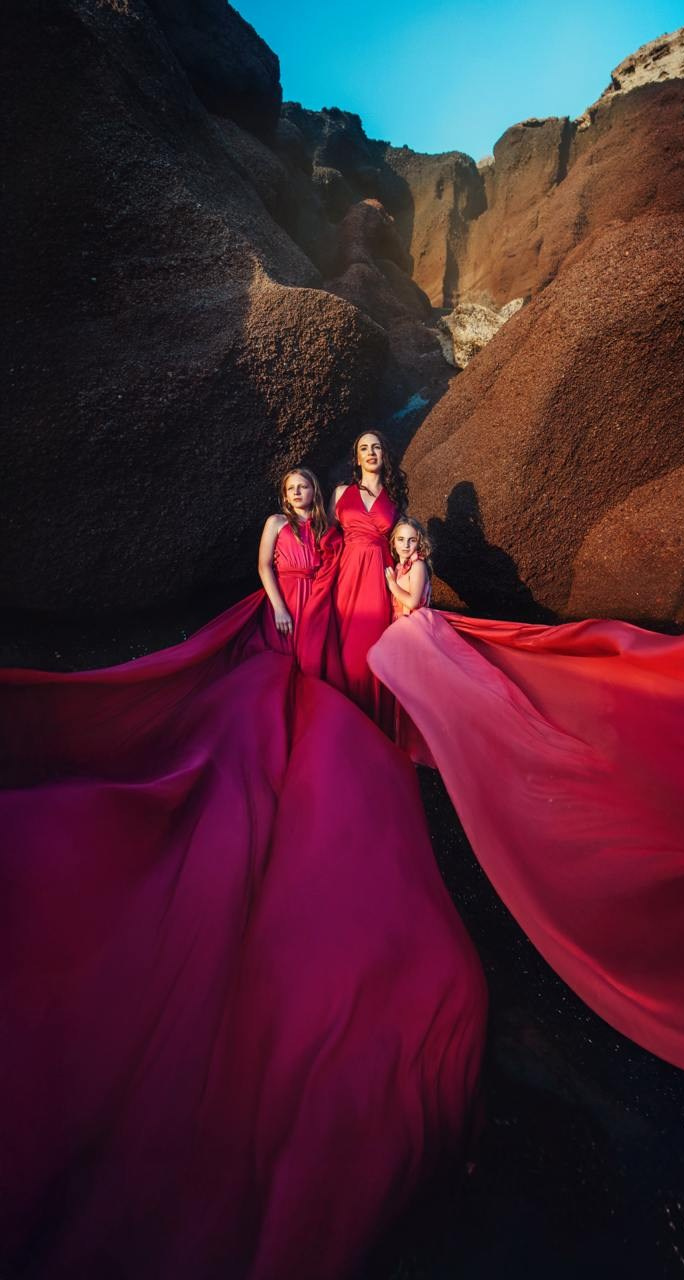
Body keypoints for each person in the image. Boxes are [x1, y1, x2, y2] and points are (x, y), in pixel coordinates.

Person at [0, 464, 487, 1280]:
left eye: (307, 489)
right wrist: (282, 603)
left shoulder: (337, 525)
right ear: (286, 493)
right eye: (295, 489)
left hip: (331, 624)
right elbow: (268, 572)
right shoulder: (279, 530)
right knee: (238, 764)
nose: (300, 497)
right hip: (283, 630)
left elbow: (355, 562)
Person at [368, 568, 684, 1142]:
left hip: (456, 688)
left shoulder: (412, 602)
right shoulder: (405, 626)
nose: (402, 553)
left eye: (407, 545)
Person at [328, 430, 408, 730]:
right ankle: (341, 718)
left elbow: (403, 543)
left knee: (371, 647)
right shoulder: (339, 493)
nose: (371, 452)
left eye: (376, 447)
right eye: (364, 447)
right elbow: (325, 537)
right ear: (357, 457)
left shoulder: (394, 498)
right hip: (347, 573)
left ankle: (372, 724)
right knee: (345, 647)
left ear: (383, 454)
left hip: (379, 575)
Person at [257, 467, 327, 647]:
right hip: (285, 596)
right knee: (285, 648)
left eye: (302, 487)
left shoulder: (324, 526)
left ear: (314, 491)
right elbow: (264, 566)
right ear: (286, 496)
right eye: (290, 488)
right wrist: (279, 608)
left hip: (316, 596)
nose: (296, 492)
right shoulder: (276, 522)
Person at [385, 517, 433, 619]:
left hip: (413, 622)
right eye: (401, 539)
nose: (406, 545)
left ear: (419, 543)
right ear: (393, 542)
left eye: (412, 540)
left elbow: (413, 603)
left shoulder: (417, 565)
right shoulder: (398, 567)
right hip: (398, 622)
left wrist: (392, 584)